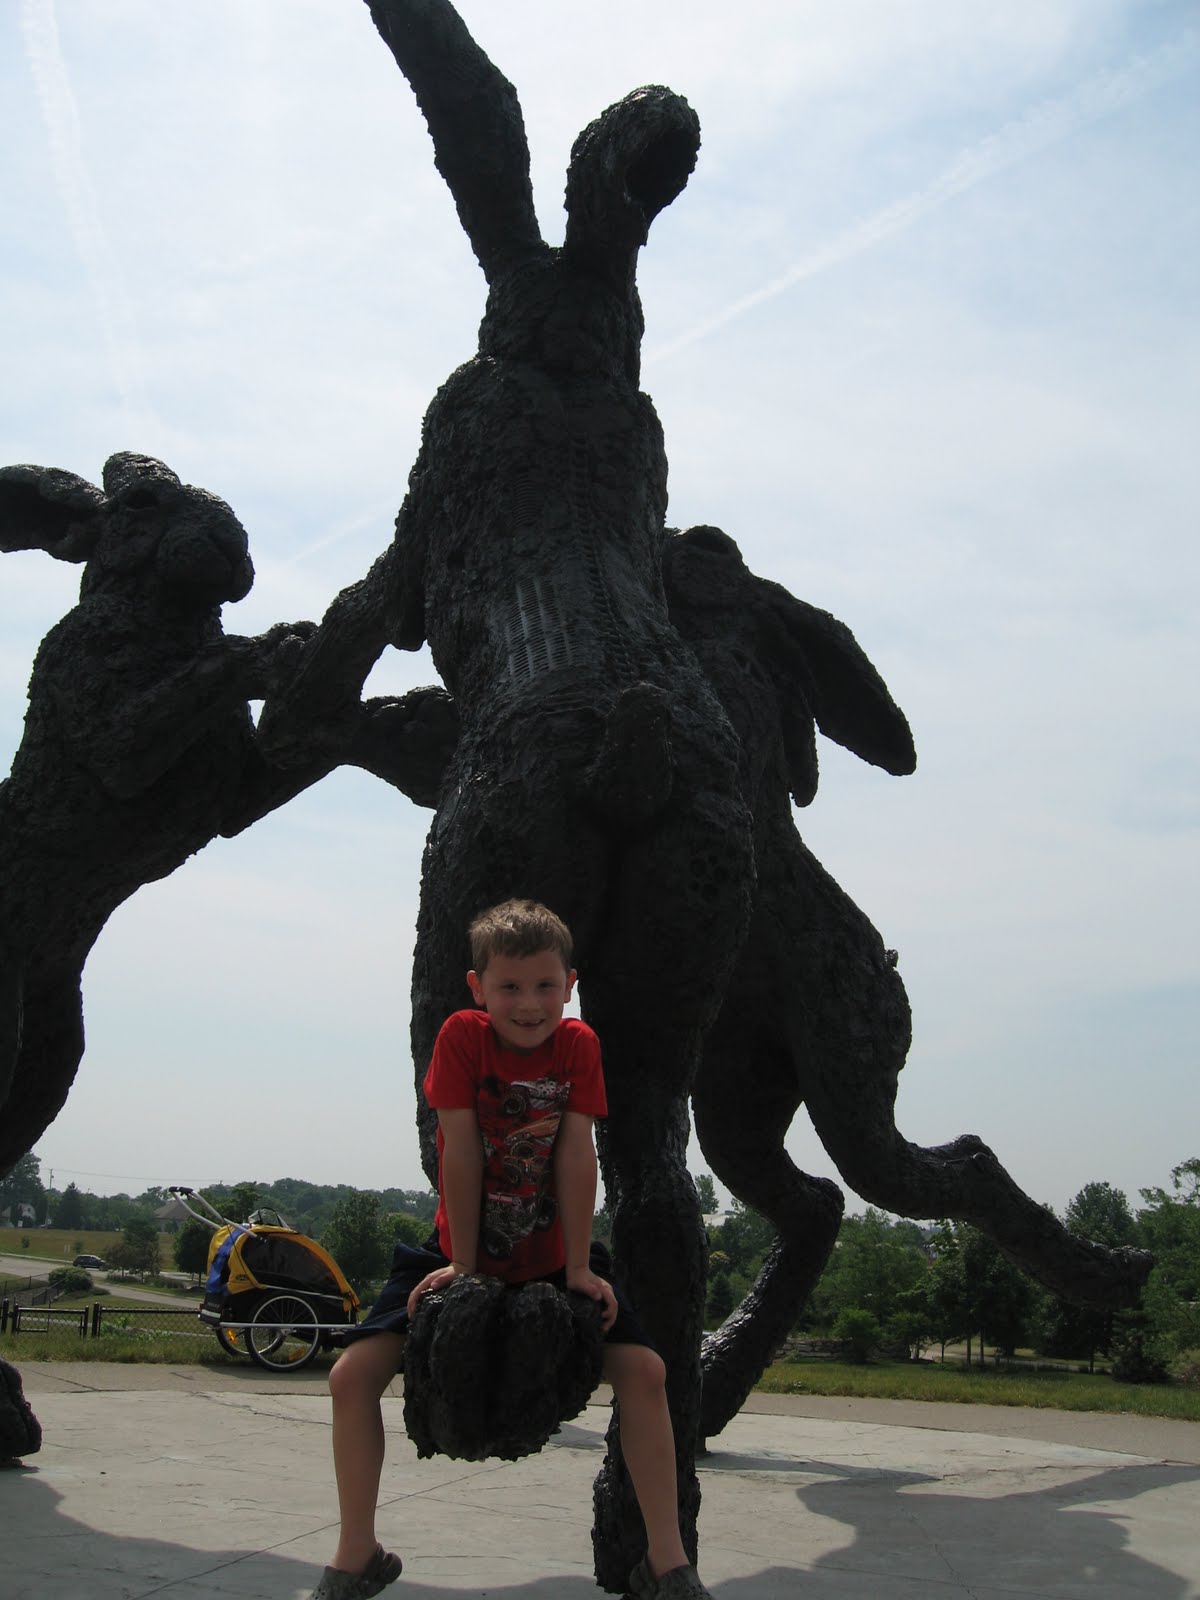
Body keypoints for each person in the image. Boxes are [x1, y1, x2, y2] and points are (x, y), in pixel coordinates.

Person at [309, 899, 712, 1600]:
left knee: (646, 1373)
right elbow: (459, 1150)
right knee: (351, 1378)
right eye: (511, 987)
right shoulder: (462, 1038)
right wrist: (463, 1268)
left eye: (545, 986)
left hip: (554, 1255)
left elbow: (578, 1154)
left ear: (570, 984)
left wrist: (579, 1266)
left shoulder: (577, 1046)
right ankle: (357, 1552)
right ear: (478, 988)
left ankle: (666, 1562)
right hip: (457, 1250)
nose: (529, 1004)